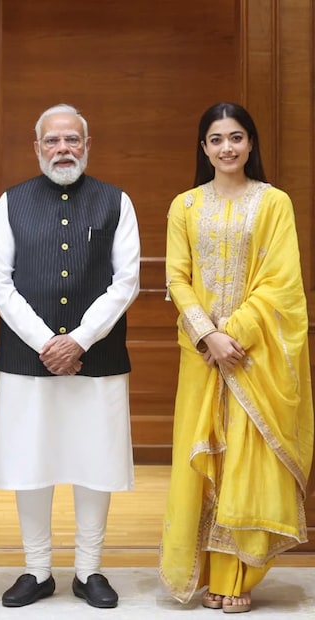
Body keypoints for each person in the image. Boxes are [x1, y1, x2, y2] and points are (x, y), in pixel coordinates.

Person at [159, 102, 313, 613]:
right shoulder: (184, 206)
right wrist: (208, 336)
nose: (227, 147)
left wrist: (234, 334)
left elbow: (281, 282)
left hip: (253, 354)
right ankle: (207, 575)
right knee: (208, 458)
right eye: (217, 139)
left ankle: (237, 577)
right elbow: (176, 277)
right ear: (203, 148)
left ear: (250, 144)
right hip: (202, 356)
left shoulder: (273, 203)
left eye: (236, 137)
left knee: (249, 459)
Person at [0, 103, 140, 609]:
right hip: (26, 358)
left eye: (72, 139)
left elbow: (126, 281)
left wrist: (80, 339)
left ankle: (88, 570)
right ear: (37, 148)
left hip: (97, 357)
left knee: (96, 460)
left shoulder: (116, 201)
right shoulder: (10, 201)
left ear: (87, 145)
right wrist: (46, 344)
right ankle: (37, 570)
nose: (63, 149)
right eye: (52, 141)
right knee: (31, 460)